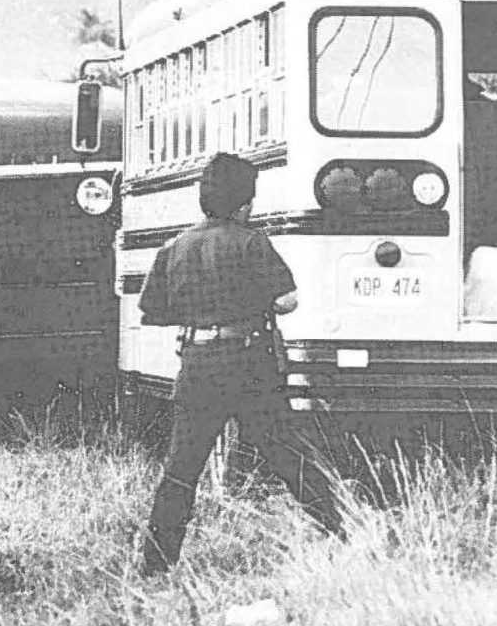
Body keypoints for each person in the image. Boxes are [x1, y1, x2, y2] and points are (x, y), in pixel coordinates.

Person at [138, 153, 344, 576]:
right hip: (250, 363)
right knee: (287, 454)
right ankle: (340, 531)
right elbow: (288, 300)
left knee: (182, 466)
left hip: (197, 364)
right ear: (245, 203)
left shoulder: (173, 247)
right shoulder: (252, 241)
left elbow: (152, 310)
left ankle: (156, 562)